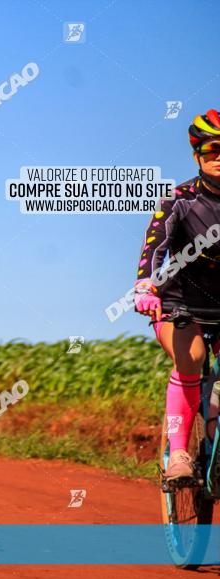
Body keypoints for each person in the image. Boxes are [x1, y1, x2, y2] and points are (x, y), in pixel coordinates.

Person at [134, 108, 220, 479]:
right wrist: (145, 285)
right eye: (212, 149)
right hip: (178, 301)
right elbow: (155, 246)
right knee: (192, 357)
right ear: (198, 155)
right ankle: (180, 454)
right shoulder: (179, 199)